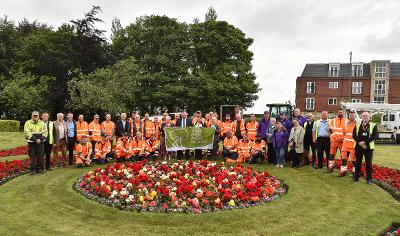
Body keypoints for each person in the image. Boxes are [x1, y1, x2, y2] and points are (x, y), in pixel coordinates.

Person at [352, 112, 378, 184]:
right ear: (361, 117)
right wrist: (360, 143)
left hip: (368, 148)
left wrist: (365, 142)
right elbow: (354, 135)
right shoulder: (357, 125)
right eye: (363, 116)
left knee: (368, 164)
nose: (365, 117)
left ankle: (369, 179)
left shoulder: (373, 125)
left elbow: (375, 136)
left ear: (369, 117)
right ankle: (356, 177)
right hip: (358, 147)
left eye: (366, 116)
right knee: (358, 163)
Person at [339, 111, 357, 176]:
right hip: (345, 144)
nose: (351, 117)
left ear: (355, 116)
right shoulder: (345, 124)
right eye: (350, 115)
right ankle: (343, 171)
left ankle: (355, 171)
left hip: (353, 145)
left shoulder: (357, 125)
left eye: (353, 115)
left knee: (353, 159)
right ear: (348, 116)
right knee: (343, 158)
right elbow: (344, 134)